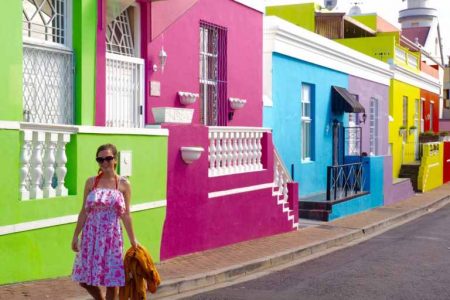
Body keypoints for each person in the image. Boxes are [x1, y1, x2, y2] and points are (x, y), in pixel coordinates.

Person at [71, 143, 138, 300]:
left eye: (108, 158)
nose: (104, 163)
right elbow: (83, 211)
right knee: (84, 280)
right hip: (91, 235)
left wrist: (133, 240)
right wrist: (75, 235)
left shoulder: (123, 184)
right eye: (100, 160)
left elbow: (126, 214)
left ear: (115, 160)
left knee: (111, 280)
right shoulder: (91, 182)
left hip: (111, 236)